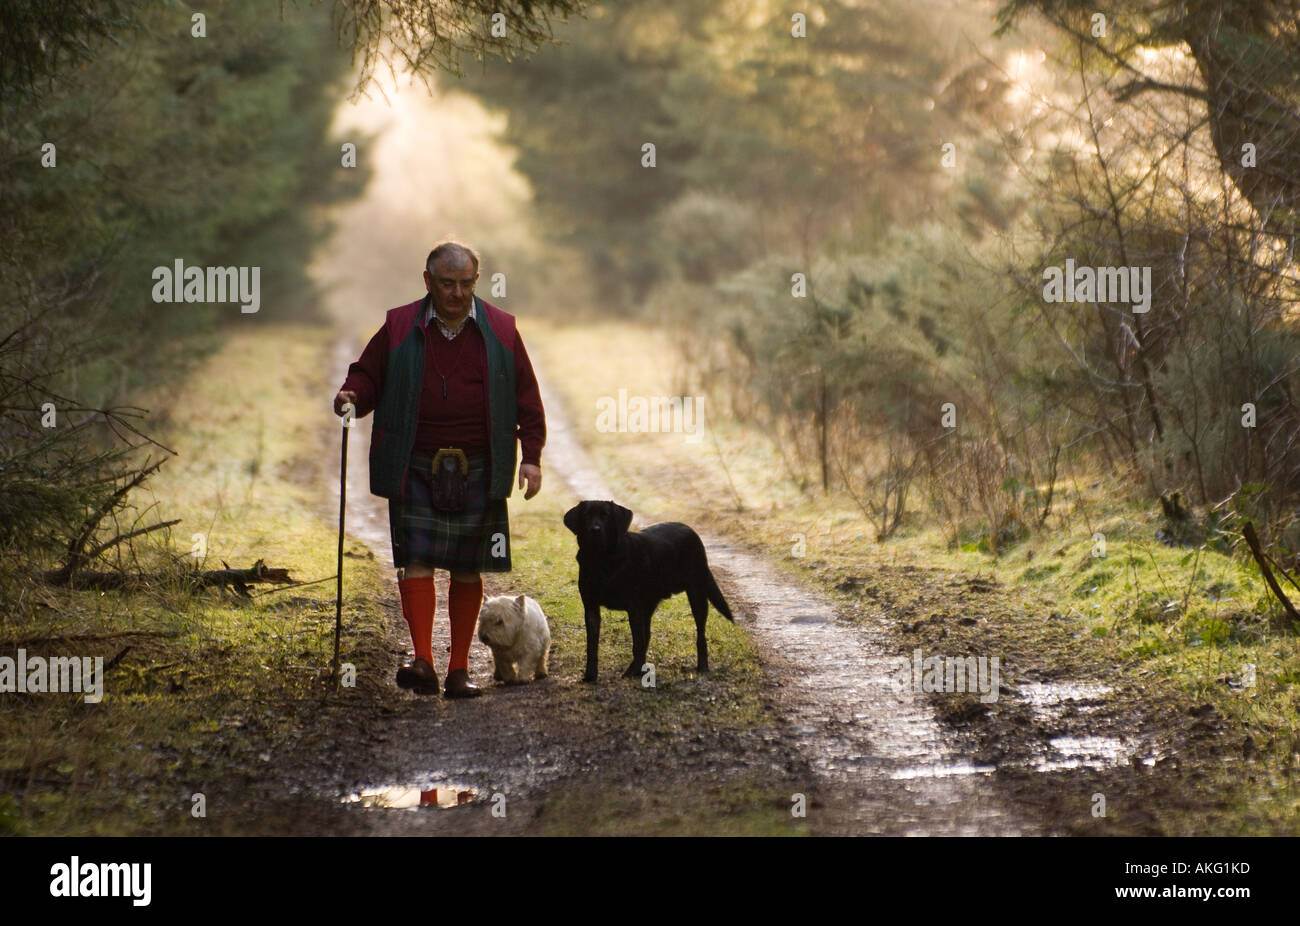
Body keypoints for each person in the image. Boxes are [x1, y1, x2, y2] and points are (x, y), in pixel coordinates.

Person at [333, 241, 545, 698]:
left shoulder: (502, 331)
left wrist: (531, 455)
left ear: (476, 281)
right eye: (447, 284)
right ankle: (424, 661)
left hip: (480, 465)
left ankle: (459, 670)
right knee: (417, 562)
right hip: (415, 461)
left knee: (468, 568)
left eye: (466, 284)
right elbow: (367, 374)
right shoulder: (399, 326)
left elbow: (527, 396)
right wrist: (352, 395)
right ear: (427, 281)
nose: (457, 293)